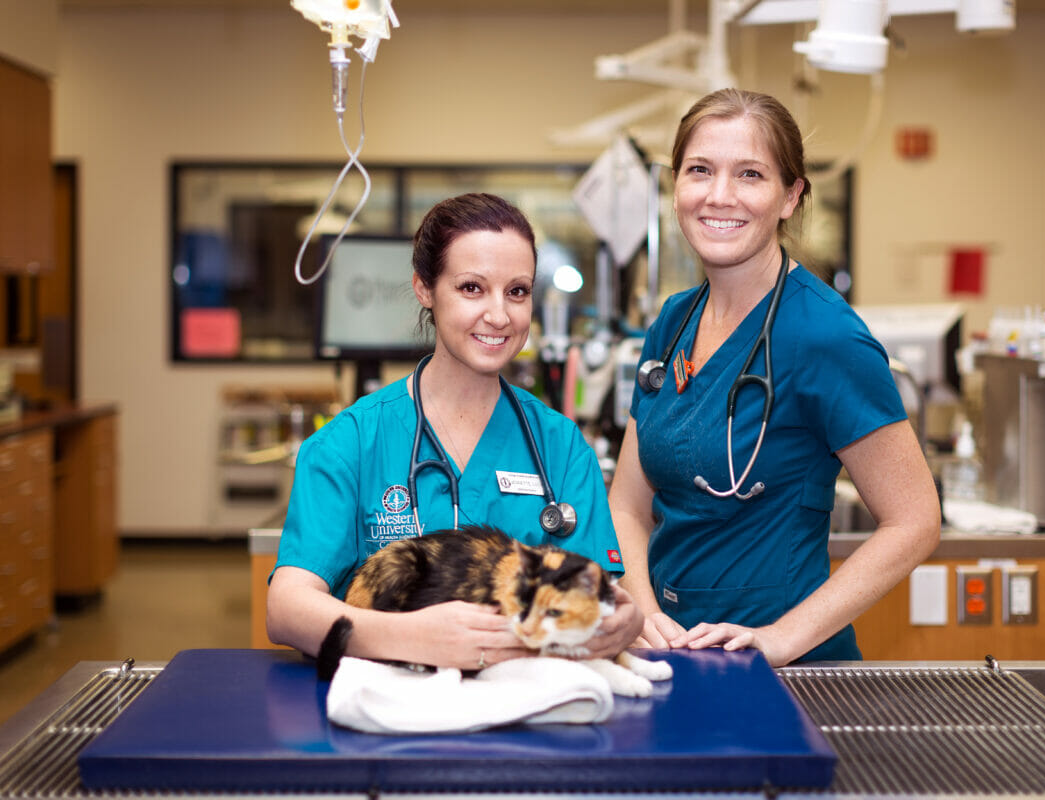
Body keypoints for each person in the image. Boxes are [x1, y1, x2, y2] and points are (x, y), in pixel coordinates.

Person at [608, 89, 941, 665]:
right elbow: (628, 506)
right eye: (700, 171)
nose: (719, 195)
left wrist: (781, 639)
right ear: (676, 186)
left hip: (785, 673)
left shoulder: (824, 338)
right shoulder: (673, 323)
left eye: (750, 175)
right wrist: (642, 609)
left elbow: (914, 521)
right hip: (667, 656)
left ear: (790, 196)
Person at [267, 192, 643, 670]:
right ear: (425, 288)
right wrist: (412, 636)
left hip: (530, 722)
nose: (500, 315)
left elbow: (600, 598)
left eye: (517, 291)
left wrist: (624, 621)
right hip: (388, 721)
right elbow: (286, 610)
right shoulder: (351, 442)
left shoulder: (561, 447)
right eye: (471, 288)